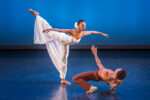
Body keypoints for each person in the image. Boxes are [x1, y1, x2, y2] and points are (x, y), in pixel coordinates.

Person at [29, 9, 108, 85]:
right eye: (82, 25)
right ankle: (37, 16)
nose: (84, 27)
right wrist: (51, 29)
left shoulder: (83, 33)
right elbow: (60, 30)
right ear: (78, 26)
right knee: (48, 30)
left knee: (64, 60)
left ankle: (62, 79)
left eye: (85, 25)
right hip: (61, 37)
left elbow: (93, 32)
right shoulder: (72, 31)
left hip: (65, 44)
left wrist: (102, 34)